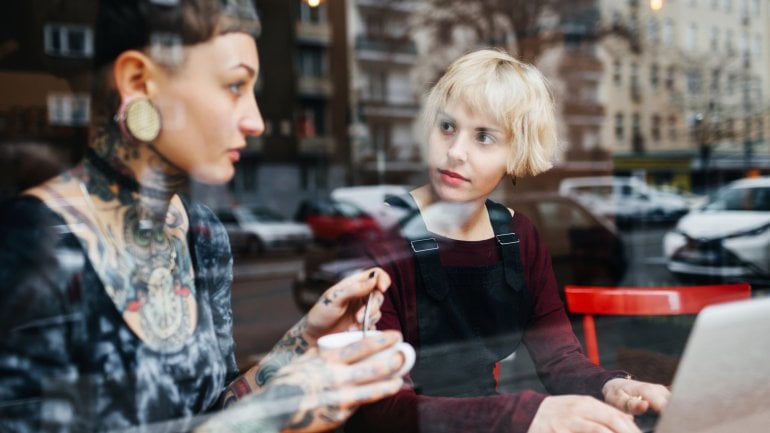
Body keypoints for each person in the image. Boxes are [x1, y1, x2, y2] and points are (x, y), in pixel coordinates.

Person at [0, 1, 409, 432]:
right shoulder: (31, 248)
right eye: (235, 86)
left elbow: (215, 408)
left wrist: (303, 341)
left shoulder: (201, 234)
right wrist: (277, 415)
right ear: (139, 82)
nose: (256, 122)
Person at [344, 49, 671, 433]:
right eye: (447, 126)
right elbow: (382, 411)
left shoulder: (519, 236)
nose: (455, 152)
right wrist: (526, 415)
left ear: (515, 151)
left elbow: (559, 360)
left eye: (484, 136)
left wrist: (612, 386)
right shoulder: (378, 236)